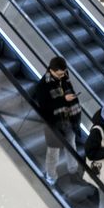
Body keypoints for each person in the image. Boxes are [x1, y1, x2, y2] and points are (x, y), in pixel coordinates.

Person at [36, 57, 82, 185]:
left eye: (64, 73)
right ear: (52, 70)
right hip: (53, 123)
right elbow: (44, 107)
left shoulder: (65, 79)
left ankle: (73, 173)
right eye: (60, 73)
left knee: (71, 147)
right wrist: (64, 99)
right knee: (53, 152)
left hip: (69, 119)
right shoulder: (43, 85)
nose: (63, 76)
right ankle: (51, 177)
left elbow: (70, 93)